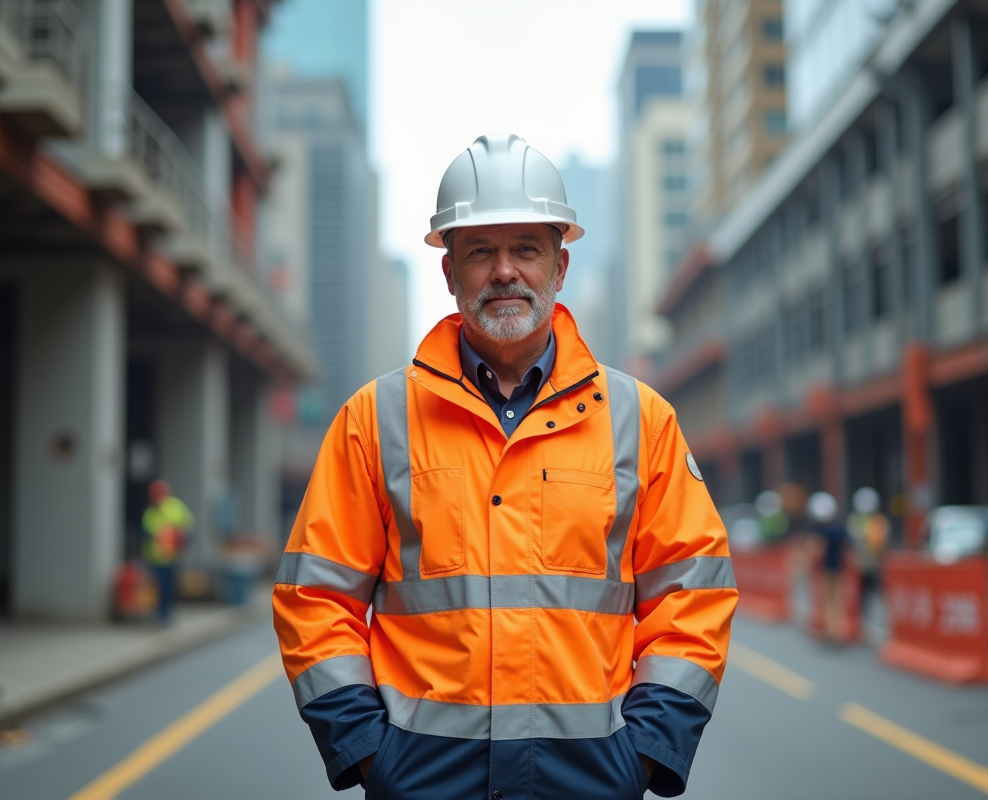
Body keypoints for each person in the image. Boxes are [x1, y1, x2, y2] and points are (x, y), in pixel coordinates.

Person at [272, 134, 737, 799]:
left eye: (526, 248)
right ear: (449, 272)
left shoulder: (640, 420)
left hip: (590, 781)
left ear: (560, 266)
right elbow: (315, 597)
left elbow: (693, 593)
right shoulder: (375, 420)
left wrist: (645, 752)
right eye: (480, 252)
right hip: (424, 781)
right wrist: (371, 753)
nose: (505, 272)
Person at [141, 479, 194, 624]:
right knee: (157, 587)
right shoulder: (150, 511)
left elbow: (187, 528)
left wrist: (181, 542)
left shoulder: (175, 507)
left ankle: (167, 613)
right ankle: (158, 613)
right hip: (155, 557)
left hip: (171, 556)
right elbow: (145, 531)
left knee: (169, 586)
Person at [809, 491, 847, 644]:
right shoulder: (839, 529)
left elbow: (817, 550)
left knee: (828, 600)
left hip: (825, 569)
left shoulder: (820, 532)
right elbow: (847, 549)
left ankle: (832, 631)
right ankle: (836, 630)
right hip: (838, 568)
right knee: (837, 601)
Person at [846, 487, 888, 617]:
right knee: (861, 594)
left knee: (878, 592)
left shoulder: (879, 521)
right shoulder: (855, 520)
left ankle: (874, 617)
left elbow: (881, 542)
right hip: (861, 564)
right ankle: (861, 618)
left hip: (875, 564)